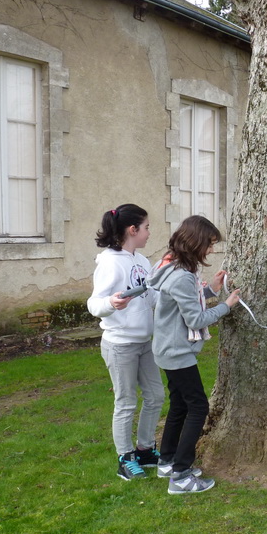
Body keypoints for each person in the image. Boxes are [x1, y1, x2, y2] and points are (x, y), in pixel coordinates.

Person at [148, 215, 240, 494]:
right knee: (198, 407)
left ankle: (167, 461)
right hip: (176, 352)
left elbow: (185, 302)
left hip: (167, 349)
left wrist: (211, 289)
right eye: (209, 244)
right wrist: (226, 305)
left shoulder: (173, 267)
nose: (211, 250)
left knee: (179, 405)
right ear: (196, 242)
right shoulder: (182, 277)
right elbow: (196, 319)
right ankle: (181, 475)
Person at [87, 204, 164, 481]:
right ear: (132, 230)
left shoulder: (142, 261)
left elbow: (152, 297)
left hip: (145, 342)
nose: (149, 233)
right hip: (120, 345)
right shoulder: (109, 262)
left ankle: (145, 450)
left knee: (155, 396)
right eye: (146, 228)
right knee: (126, 402)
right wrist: (111, 302)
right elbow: (94, 303)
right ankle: (125, 458)